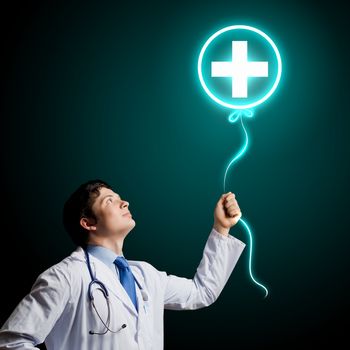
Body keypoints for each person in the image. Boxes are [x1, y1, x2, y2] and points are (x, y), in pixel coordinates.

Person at [0, 179, 246, 350]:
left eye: (120, 198)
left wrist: (221, 227)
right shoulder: (65, 277)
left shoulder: (145, 275)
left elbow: (202, 292)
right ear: (88, 223)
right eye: (109, 201)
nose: (124, 203)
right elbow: (13, 341)